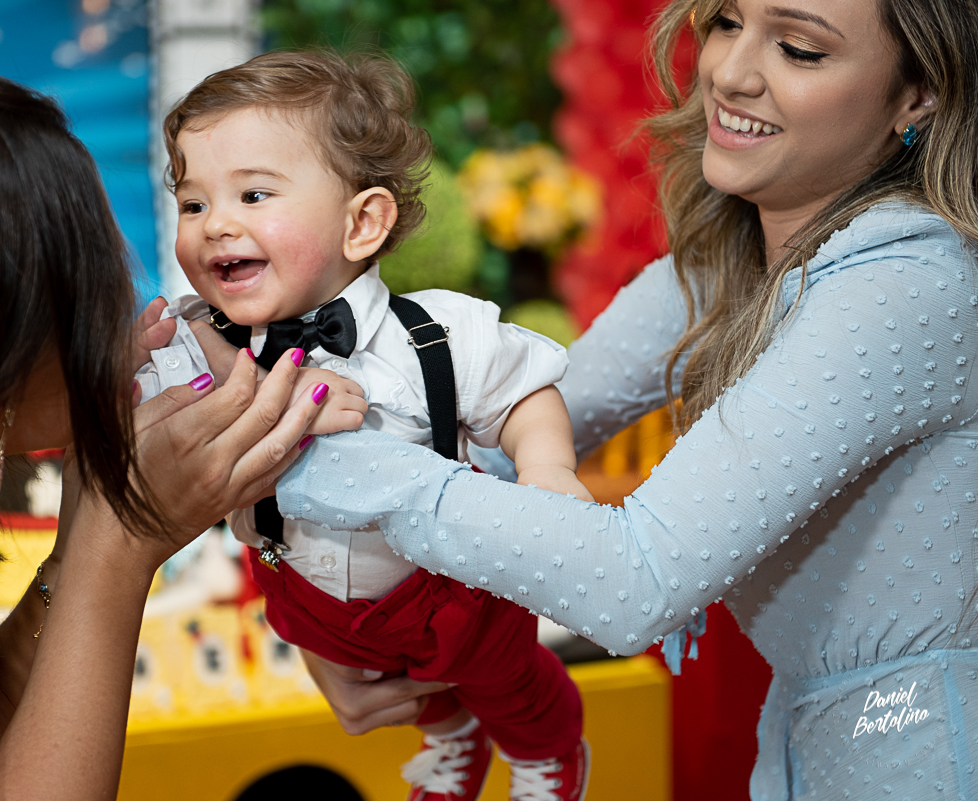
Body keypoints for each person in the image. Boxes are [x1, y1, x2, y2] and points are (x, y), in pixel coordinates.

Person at [267, 0, 978, 797]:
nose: (731, 73)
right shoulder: (733, 259)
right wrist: (334, 601)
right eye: (726, 22)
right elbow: (510, 428)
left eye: (800, 49)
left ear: (920, 95)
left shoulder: (910, 285)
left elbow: (635, 578)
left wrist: (325, 464)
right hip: (815, 745)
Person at [0, 72, 346, 798]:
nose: (131, 325)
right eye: (98, 285)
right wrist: (116, 549)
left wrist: (81, 541)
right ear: (2, 348)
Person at [140, 51, 592, 801]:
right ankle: (451, 741)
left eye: (252, 194)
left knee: (505, 676)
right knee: (402, 691)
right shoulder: (197, 343)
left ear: (363, 222)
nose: (215, 224)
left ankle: (547, 753)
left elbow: (525, 394)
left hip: (450, 585)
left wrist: (547, 472)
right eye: (192, 204)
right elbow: (144, 419)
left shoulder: (437, 333)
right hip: (305, 592)